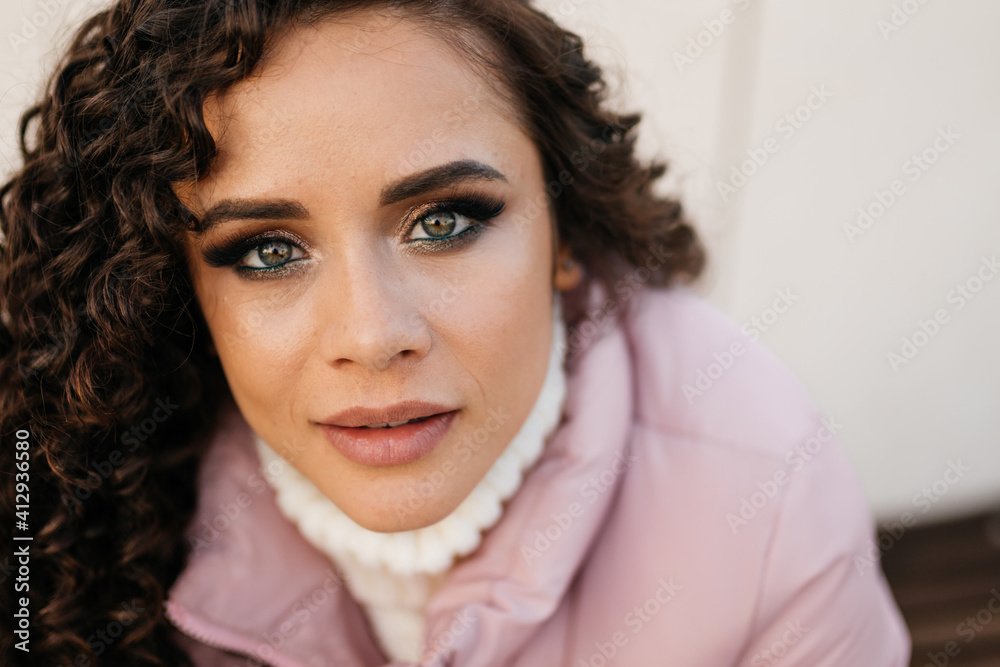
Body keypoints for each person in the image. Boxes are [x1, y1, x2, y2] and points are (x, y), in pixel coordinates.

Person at [0, 0, 911, 665]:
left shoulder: (767, 487)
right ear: (178, 285)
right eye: (268, 249)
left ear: (566, 229)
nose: (371, 332)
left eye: (444, 220)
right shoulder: (94, 494)